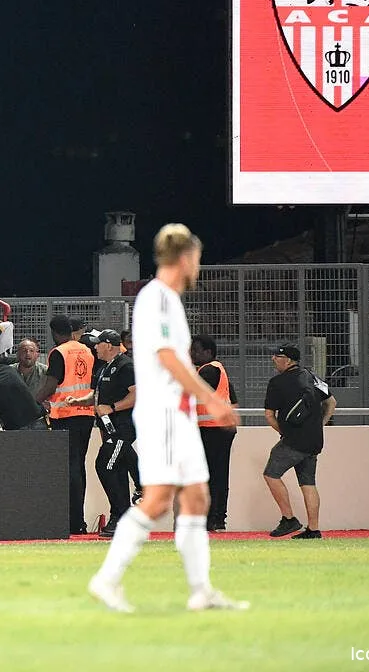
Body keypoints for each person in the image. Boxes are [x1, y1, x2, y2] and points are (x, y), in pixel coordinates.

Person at [89, 224, 245, 614]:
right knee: (158, 499)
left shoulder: (167, 300)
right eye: (197, 258)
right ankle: (107, 580)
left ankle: (201, 590)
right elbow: (168, 357)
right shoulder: (157, 298)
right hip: (164, 415)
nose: (198, 266)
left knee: (195, 498)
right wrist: (211, 399)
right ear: (185, 257)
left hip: (177, 413)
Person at [262, 343, 336, 540]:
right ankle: (313, 529)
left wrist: (284, 433)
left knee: (271, 474)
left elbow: (269, 416)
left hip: (294, 441)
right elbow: (331, 402)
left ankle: (289, 519)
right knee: (308, 483)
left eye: (277, 356)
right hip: (314, 441)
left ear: (287, 360)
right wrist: (319, 425)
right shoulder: (311, 376)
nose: (273, 359)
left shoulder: (276, 383)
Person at [40, 314, 95, 535]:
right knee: (79, 467)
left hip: (65, 415)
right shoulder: (87, 350)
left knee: (70, 469)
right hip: (87, 414)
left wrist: (31, 400)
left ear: (54, 332)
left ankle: (73, 522)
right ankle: (78, 521)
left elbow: (51, 386)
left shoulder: (58, 353)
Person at [87, 330, 140, 537]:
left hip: (123, 427)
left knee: (105, 465)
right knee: (114, 468)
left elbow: (137, 394)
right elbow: (101, 396)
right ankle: (120, 516)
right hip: (110, 428)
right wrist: (84, 401)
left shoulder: (125, 366)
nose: (95, 347)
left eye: (98, 344)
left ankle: (122, 514)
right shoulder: (106, 367)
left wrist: (113, 407)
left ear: (108, 345)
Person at [191, 334, 238, 532]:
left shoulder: (209, 371)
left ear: (208, 353)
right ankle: (217, 519)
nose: (191, 353)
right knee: (218, 475)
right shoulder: (217, 370)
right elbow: (233, 399)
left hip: (213, 430)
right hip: (219, 429)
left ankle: (212, 519)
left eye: (195, 350)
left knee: (211, 476)